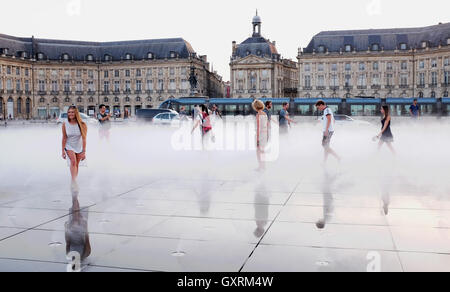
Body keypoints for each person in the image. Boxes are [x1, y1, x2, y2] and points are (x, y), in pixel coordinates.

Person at [62, 106, 87, 190]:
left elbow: (84, 138)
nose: (70, 114)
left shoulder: (82, 124)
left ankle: (74, 180)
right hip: (69, 145)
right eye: (69, 112)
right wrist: (62, 150)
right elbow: (64, 137)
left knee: (76, 164)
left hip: (79, 146)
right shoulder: (65, 124)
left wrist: (84, 151)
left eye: (72, 112)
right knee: (73, 161)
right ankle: (74, 181)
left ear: (76, 113)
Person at [65, 193, 91, 266]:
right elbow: (68, 243)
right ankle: (74, 196)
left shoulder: (83, 223)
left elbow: (87, 243)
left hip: (79, 249)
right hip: (78, 249)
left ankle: (74, 196)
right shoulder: (70, 224)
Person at [253, 100, 269, 171]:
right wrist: (268, 135)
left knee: (258, 151)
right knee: (263, 151)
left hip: (260, 134)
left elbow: (258, 127)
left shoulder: (258, 115)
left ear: (255, 107)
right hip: (265, 133)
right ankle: (264, 166)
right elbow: (267, 125)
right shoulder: (265, 114)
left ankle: (260, 166)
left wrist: (257, 140)